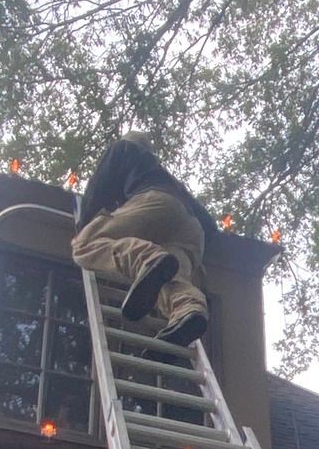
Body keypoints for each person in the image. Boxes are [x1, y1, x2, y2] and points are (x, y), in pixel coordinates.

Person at [70, 132, 217, 347]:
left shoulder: (124, 149)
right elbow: (210, 227)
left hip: (156, 202)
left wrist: (85, 224)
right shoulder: (171, 179)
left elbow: (99, 187)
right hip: (194, 230)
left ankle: (148, 260)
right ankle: (188, 310)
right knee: (169, 277)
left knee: (84, 245)